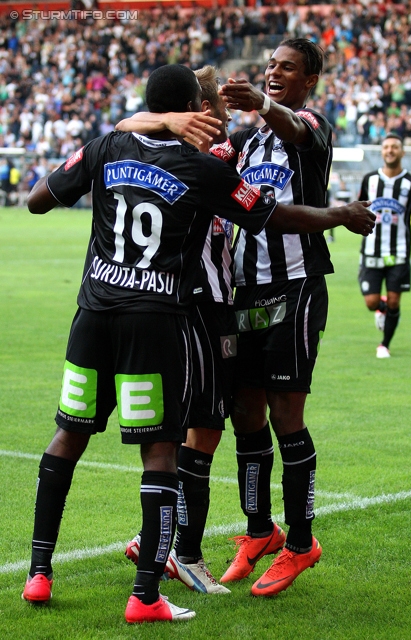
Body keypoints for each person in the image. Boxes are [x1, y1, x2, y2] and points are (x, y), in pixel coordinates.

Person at [21, 62, 375, 623]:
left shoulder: (109, 143)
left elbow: (38, 200)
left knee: (74, 435)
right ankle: (152, 587)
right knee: (168, 447)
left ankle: (39, 573)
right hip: (160, 320)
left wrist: (119, 136)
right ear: (191, 111)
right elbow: (269, 213)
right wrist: (339, 215)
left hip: (95, 316)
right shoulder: (201, 165)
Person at [210, 38, 350, 597]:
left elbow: (296, 129)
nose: (274, 72)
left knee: (285, 415)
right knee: (245, 411)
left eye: (287, 67)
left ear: (308, 80)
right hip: (245, 293)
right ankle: (258, 531)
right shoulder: (248, 141)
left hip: (296, 289)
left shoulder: (311, 127)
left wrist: (263, 106)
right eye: (270, 65)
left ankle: (301, 543)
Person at [120, 66, 235, 595]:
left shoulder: (196, 146)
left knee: (198, 430)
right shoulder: (207, 155)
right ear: (201, 111)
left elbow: (128, 122)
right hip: (201, 304)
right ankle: (184, 552)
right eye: (217, 106)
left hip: (206, 303)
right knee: (203, 430)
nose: (226, 114)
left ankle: (158, 542)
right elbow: (125, 122)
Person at [358, 132, 411, 358]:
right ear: (382, 152)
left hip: (399, 252)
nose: (390, 151)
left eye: (394, 147)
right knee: (371, 302)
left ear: (402, 152)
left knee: (394, 299)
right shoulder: (369, 180)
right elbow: (359, 205)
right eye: (386, 147)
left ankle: (384, 345)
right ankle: (382, 310)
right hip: (371, 251)